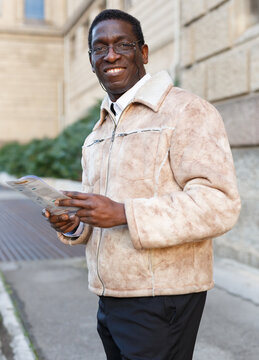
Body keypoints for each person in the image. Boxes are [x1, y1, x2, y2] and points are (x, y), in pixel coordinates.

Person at [44, 9, 241, 360]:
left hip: (164, 298)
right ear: (91, 61)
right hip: (109, 297)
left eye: (123, 44)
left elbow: (219, 204)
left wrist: (123, 213)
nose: (111, 55)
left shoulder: (186, 111)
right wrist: (74, 224)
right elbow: (96, 214)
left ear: (143, 52)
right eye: (100, 48)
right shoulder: (98, 132)